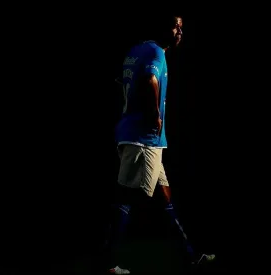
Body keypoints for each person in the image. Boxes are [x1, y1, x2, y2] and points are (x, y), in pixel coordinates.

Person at [104, 15, 215, 274]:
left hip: (134, 135)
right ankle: (108, 263)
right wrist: (154, 115)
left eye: (182, 28)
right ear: (161, 26)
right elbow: (150, 79)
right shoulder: (157, 53)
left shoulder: (136, 50)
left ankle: (190, 255)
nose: (179, 32)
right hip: (144, 139)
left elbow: (121, 81)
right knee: (127, 198)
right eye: (175, 26)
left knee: (164, 195)